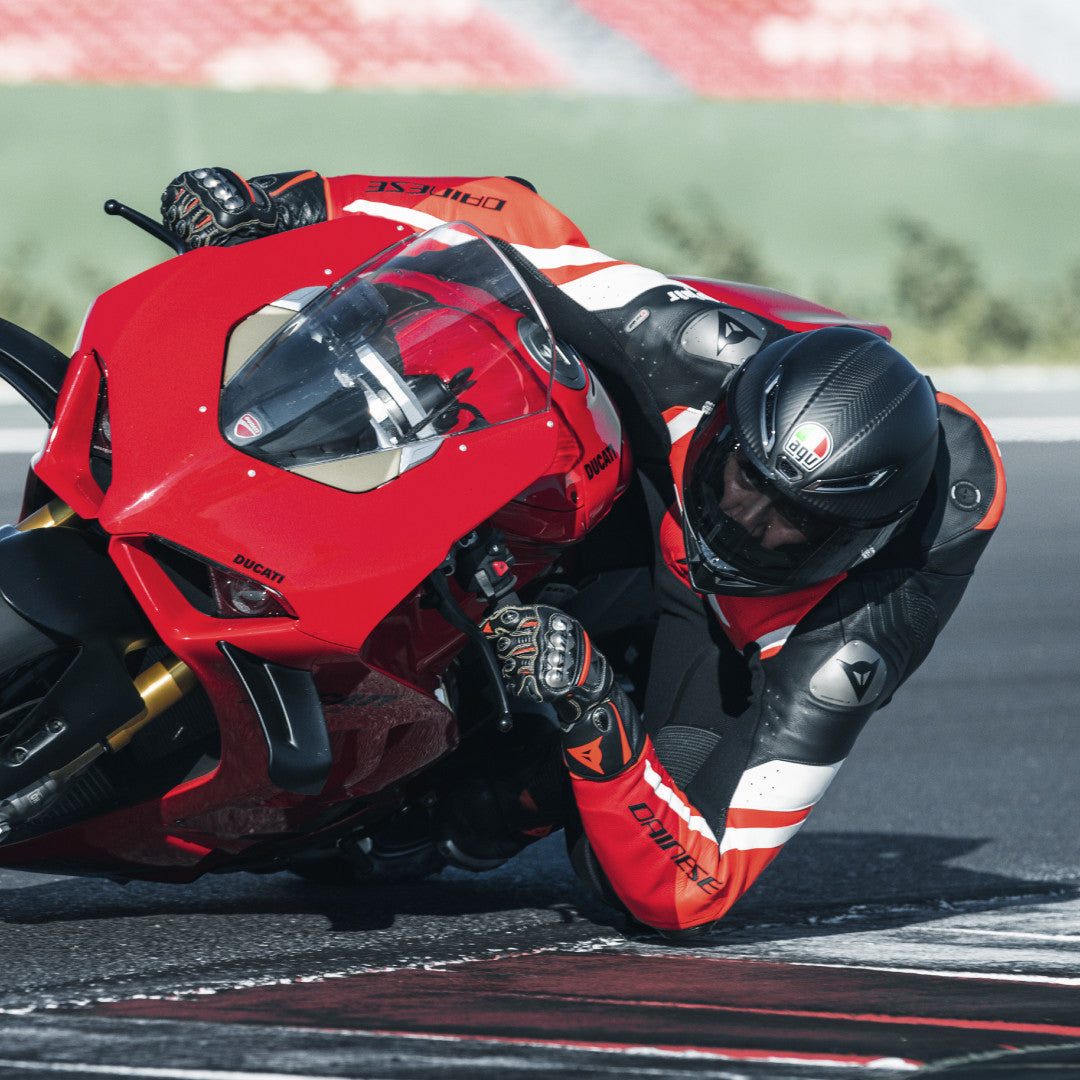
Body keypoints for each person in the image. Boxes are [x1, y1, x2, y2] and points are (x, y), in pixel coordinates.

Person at [160, 168, 1005, 936]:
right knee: (443, 349)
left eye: (792, 524)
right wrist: (283, 203)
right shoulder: (688, 347)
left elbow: (699, 887)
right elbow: (510, 217)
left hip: (731, 624)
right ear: (725, 424)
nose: (744, 520)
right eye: (744, 479)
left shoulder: (861, 622)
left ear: (855, 540)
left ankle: (493, 782)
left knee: (591, 867)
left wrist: (596, 711)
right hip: (654, 461)